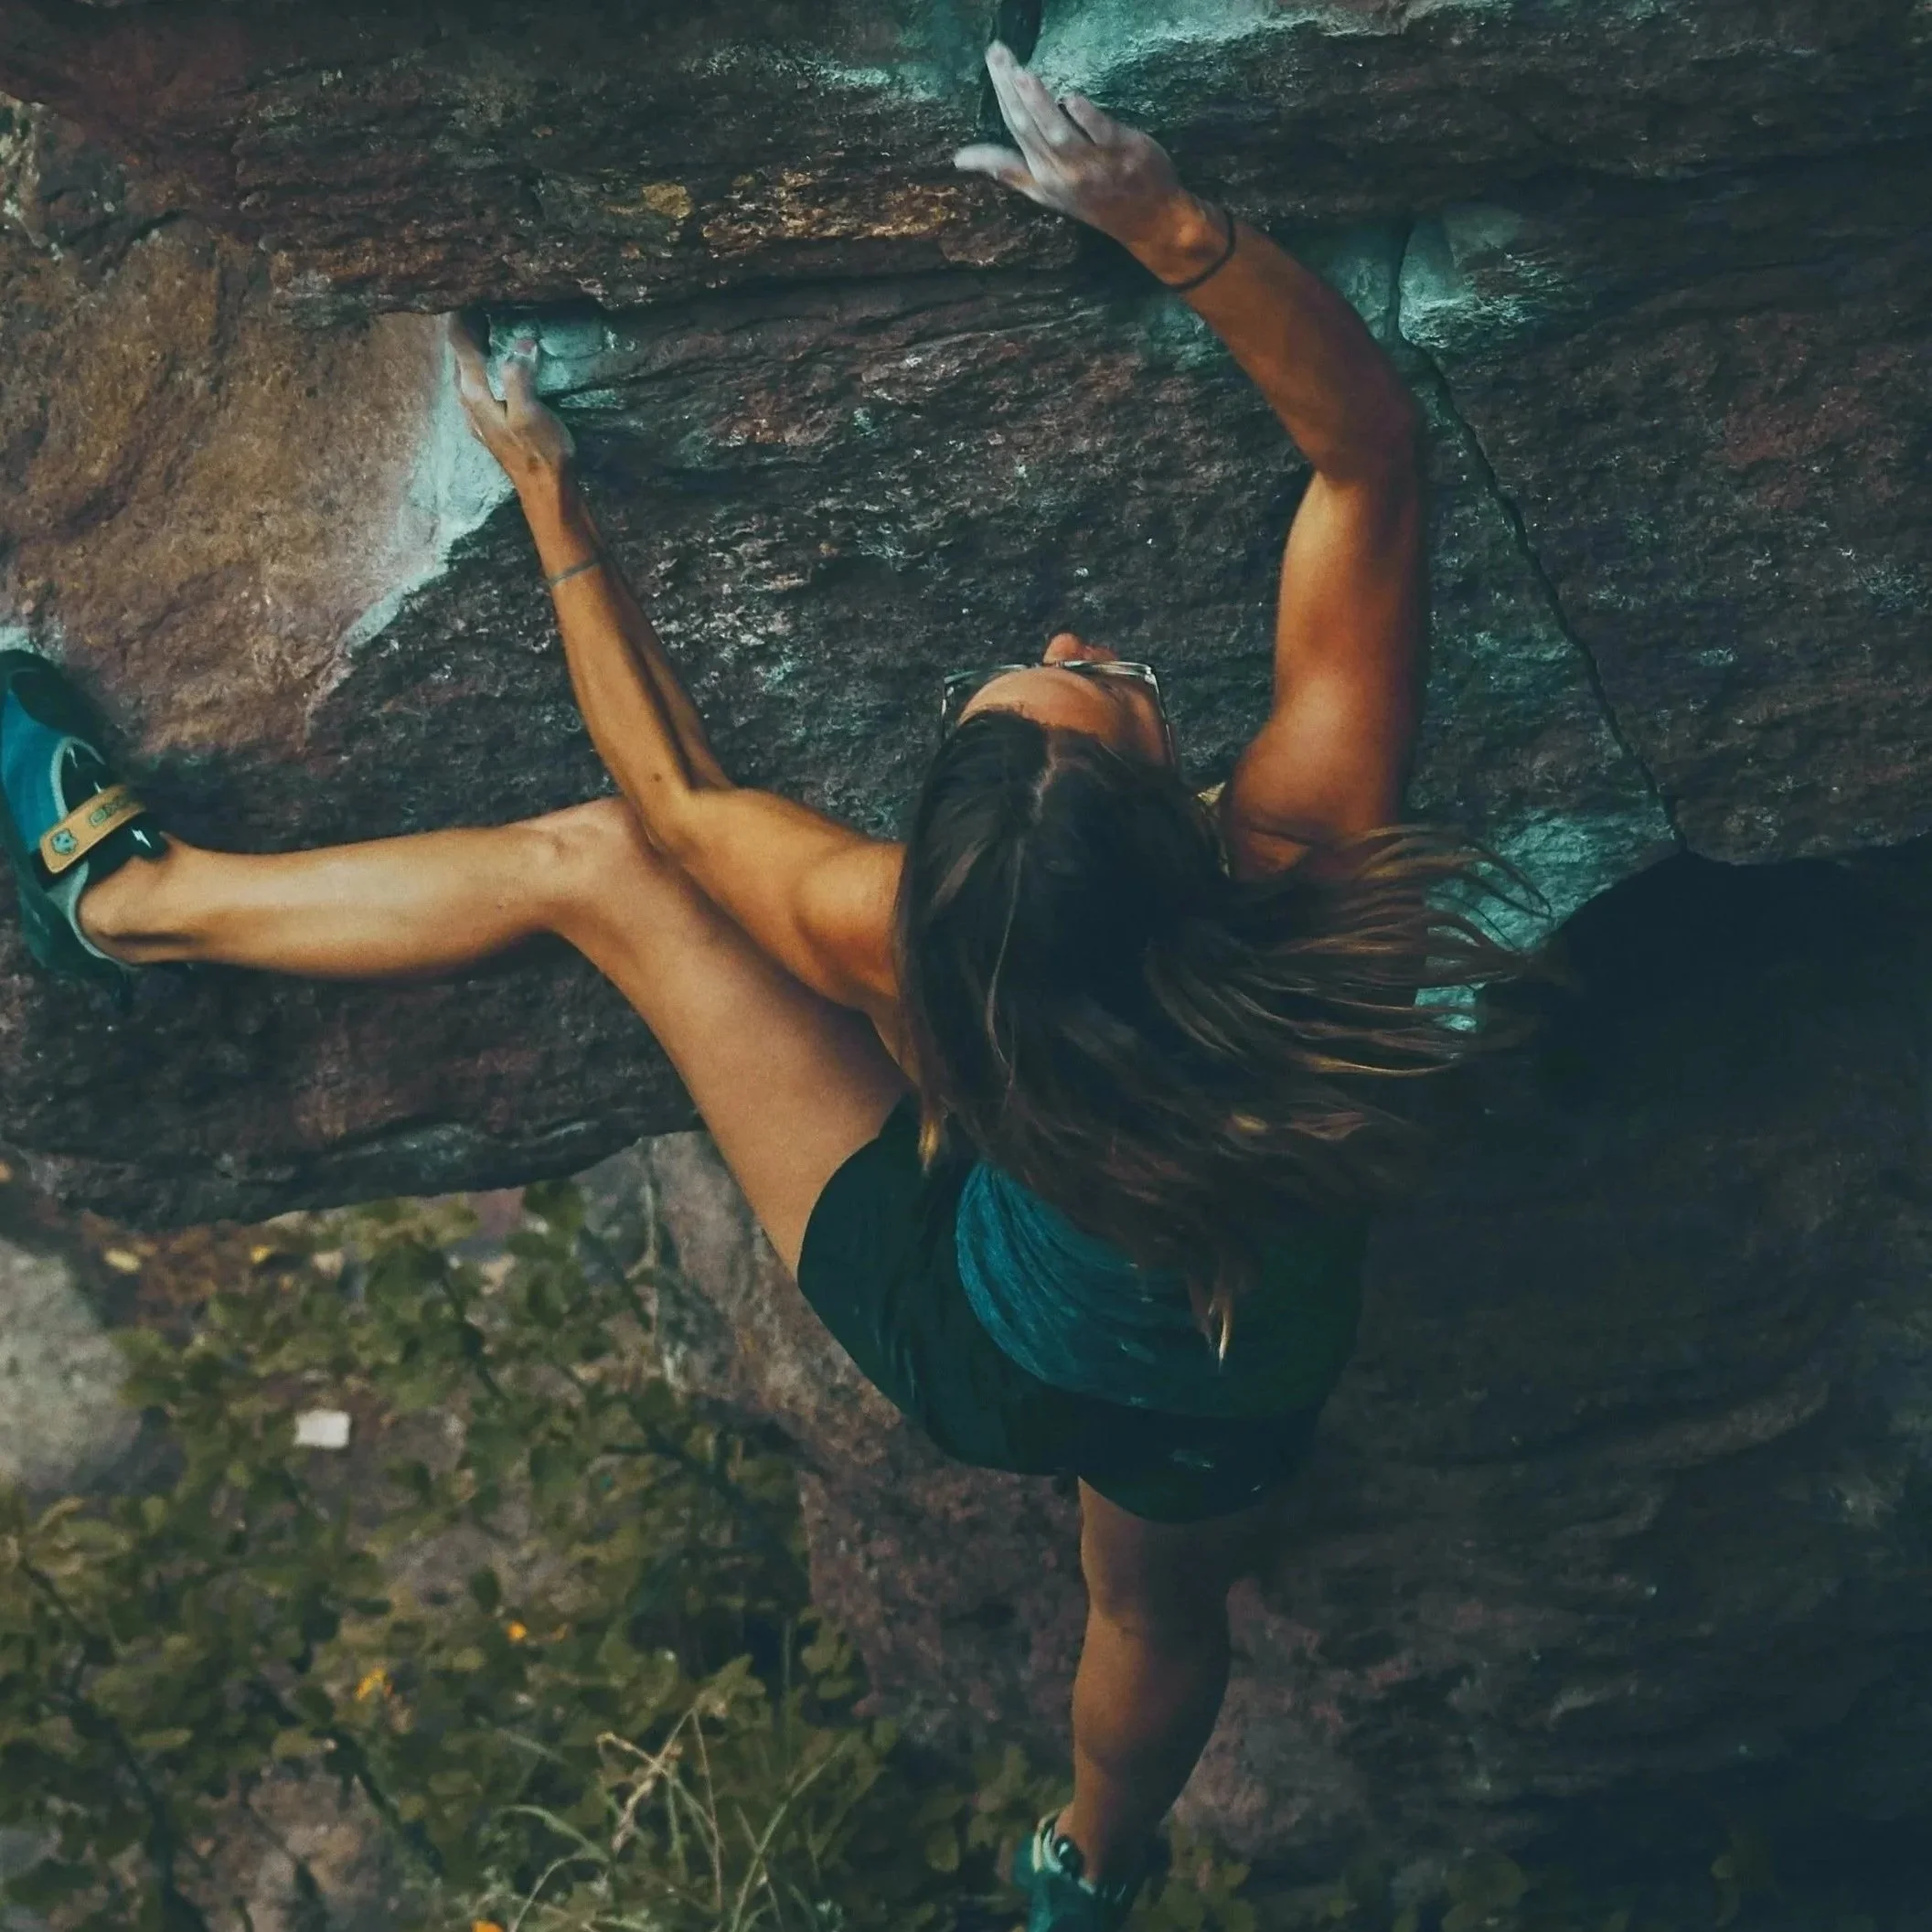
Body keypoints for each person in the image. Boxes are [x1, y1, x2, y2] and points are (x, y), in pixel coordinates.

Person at [0, 43, 1516, 1931]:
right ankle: (1088, 1877)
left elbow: (674, 805)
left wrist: (556, 504)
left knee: (600, 870)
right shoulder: (1310, 881)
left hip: (979, 1333)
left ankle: (137, 905)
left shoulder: (902, 936)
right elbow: (1369, 456)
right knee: (1152, 1609)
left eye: (1053, 680)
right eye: (1080, 678)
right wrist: (1170, 222)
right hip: (1205, 1387)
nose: (1065, 639)